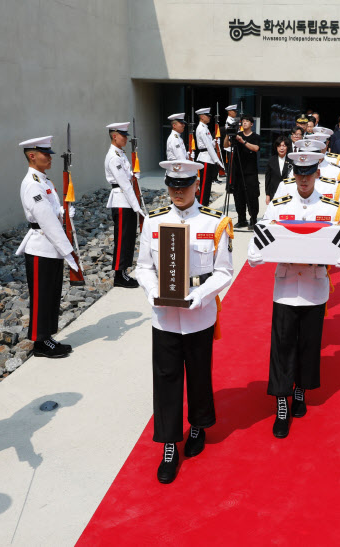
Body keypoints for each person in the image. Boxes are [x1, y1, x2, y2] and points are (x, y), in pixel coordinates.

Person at [135, 159, 234, 484]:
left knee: (199, 372)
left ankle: (199, 425)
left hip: (199, 314)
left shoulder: (213, 222)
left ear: (196, 185)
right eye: (173, 187)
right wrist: (152, 292)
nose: (178, 192)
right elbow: (144, 266)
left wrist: (201, 295)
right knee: (165, 377)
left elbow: (223, 271)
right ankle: (168, 441)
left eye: (185, 186)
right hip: (164, 316)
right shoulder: (154, 221)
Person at [248, 152, 340, 439]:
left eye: (309, 173)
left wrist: (329, 252)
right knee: (282, 346)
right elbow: (254, 253)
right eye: (299, 173)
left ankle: (301, 392)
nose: (304, 179)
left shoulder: (332, 208)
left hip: (315, 288)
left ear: (317, 172)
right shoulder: (280, 206)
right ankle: (282, 402)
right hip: (285, 289)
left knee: (308, 345)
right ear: (293, 174)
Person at [16, 136, 76, 358]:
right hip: (41, 245)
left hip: (50, 246)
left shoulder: (45, 181)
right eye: (45, 154)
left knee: (51, 293)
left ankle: (47, 336)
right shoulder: (32, 183)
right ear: (32, 156)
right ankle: (39, 342)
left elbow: (53, 211)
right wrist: (68, 251)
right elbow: (46, 221)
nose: (49, 157)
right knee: (42, 296)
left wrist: (64, 212)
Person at [105, 122, 146, 288]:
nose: (126, 138)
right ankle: (119, 275)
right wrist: (137, 207)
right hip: (122, 200)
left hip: (126, 200)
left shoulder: (120, 154)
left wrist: (134, 173)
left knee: (128, 238)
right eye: (123, 135)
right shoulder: (114, 157)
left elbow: (128, 177)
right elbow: (124, 184)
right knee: (122, 239)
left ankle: (123, 272)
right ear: (115, 136)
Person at [224, 113, 261, 227]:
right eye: (243, 121)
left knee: (252, 196)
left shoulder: (255, 136)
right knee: (238, 196)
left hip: (250, 172)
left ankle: (253, 219)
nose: (244, 122)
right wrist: (228, 134)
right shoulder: (237, 135)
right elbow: (226, 145)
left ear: (251, 124)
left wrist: (243, 141)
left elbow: (255, 148)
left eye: (247, 121)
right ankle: (241, 219)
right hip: (238, 172)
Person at [195, 107, 224, 206]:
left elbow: (209, 143)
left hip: (208, 157)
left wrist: (214, 141)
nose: (209, 118)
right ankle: (202, 206)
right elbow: (207, 146)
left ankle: (205, 205)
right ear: (202, 117)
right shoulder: (201, 129)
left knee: (207, 185)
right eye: (207, 116)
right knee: (204, 186)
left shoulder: (205, 128)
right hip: (205, 158)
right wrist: (217, 160)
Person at [265, 135, 293, 204]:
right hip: (274, 193)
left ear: (287, 147)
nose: (281, 148)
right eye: (279, 146)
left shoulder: (291, 161)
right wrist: (267, 195)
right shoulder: (271, 160)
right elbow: (268, 179)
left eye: (284, 146)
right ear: (276, 147)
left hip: (287, 193)